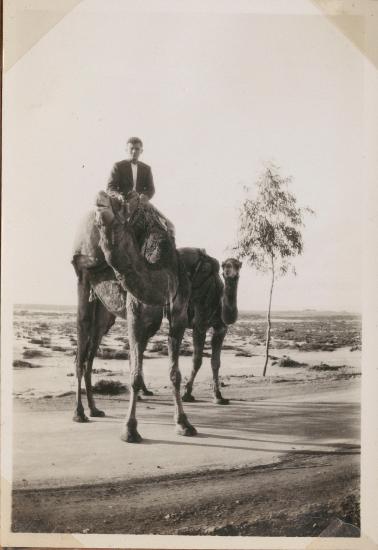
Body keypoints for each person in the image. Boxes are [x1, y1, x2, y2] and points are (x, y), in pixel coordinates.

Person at [107, 137, 155, 204]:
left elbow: (151, 189)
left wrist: (145, 196)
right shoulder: (118, 166)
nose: (134, 151)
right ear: (126, 150)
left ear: (141, 151)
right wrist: (118, 196)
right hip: (121, 201)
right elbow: (110, 187)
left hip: (140, 202)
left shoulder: (146, 169)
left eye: (137, 149)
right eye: (131, 148)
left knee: (157, 214)